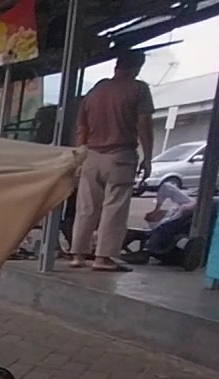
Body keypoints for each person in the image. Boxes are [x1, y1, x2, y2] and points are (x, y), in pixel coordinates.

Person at [70, 49, 155, 272]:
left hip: (91, 156)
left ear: (117, 65)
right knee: (114, 208)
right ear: (137, 67)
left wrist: (81, 153)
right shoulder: (138, 88)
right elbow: (144, 124)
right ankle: (103, 258)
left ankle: (78, 254)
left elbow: (81, 126)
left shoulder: (96, 90)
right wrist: (148, 157)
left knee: (86, 207)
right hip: (120, 156)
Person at [122, 180, 197, 265]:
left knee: (164, 229)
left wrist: (157, 209)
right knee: (138, 233)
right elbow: (167, 188)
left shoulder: (178, 210)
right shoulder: (173, 211)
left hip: (175, 227)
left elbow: (168, 188)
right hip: (171, 225)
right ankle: (133, 251)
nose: (148, 214)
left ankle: (145, 252)